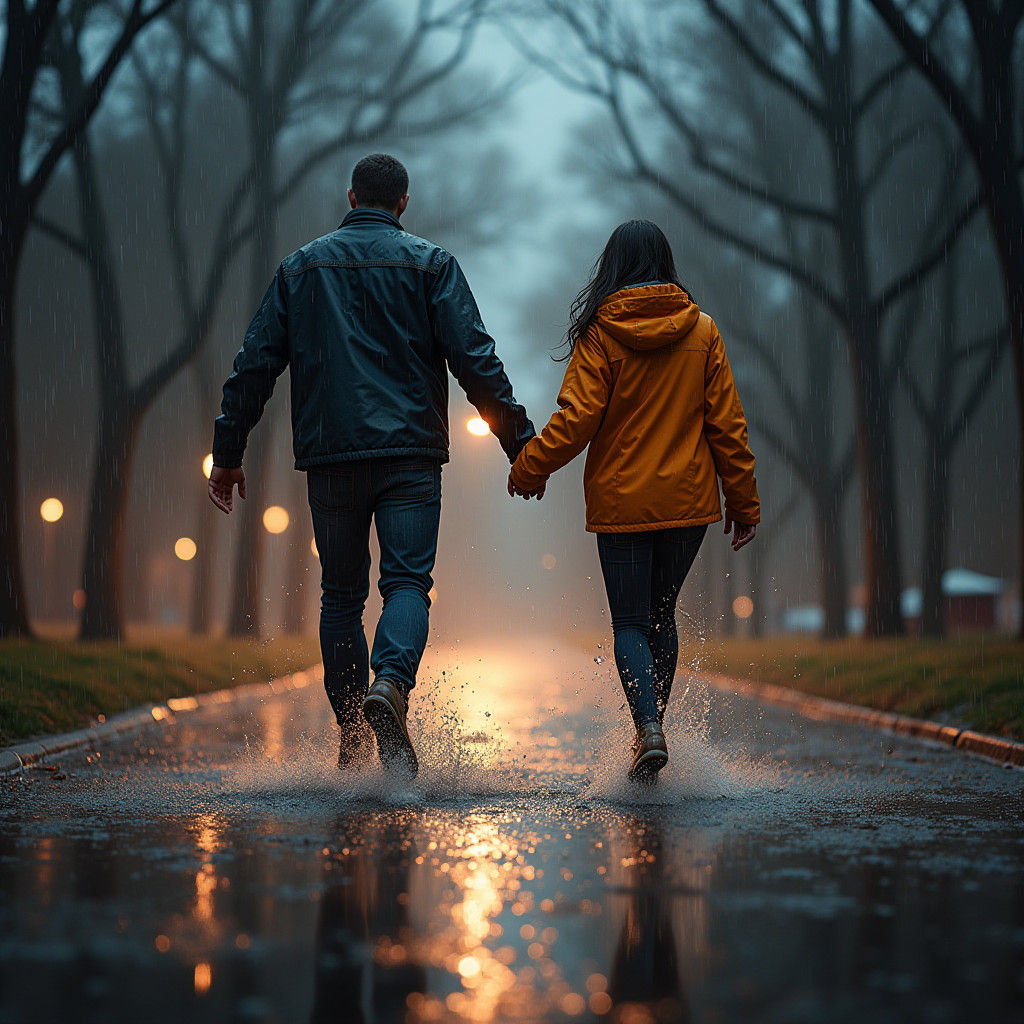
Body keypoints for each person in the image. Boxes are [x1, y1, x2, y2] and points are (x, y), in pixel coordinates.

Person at [209, 153, 534, 778]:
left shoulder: (300, 268)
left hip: (332, 454)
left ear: (351, 195)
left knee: (339, 596)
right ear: (403, 203)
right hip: (411, 454)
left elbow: (254, 364)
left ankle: (354, 736)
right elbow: (474, 358)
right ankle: (391, 685)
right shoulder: (432, 265)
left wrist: (229, 450)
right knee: (407, 584)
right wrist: (520, 441)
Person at [508, 219, 759, 782]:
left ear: (612, 267)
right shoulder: (704, 332)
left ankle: (647, 728)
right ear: (666, 265)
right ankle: (654, 726)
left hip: (624, 504)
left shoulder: (602, 333)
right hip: (687, 503)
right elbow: (727, 426)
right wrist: (743, 501)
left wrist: (530, 466)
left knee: (628, 622)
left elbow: (577, 420)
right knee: (660, 617)